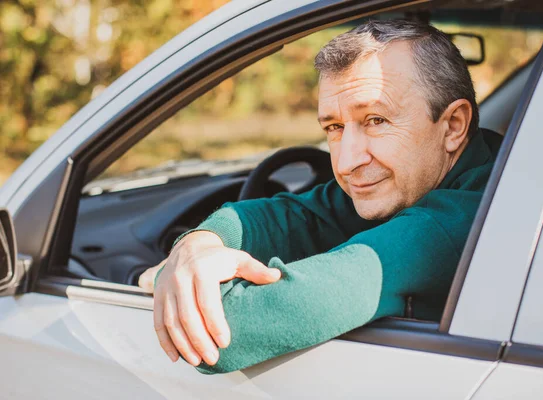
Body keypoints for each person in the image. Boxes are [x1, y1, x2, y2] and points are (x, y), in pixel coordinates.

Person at [138, 19, 502, 374]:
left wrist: (158, 277)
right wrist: (199, 243)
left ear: (454, 125)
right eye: (334, 127)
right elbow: (295, 216)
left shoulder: (461, 220)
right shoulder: (425, 177)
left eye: (376, 120)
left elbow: (225, 333)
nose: (346, 163)